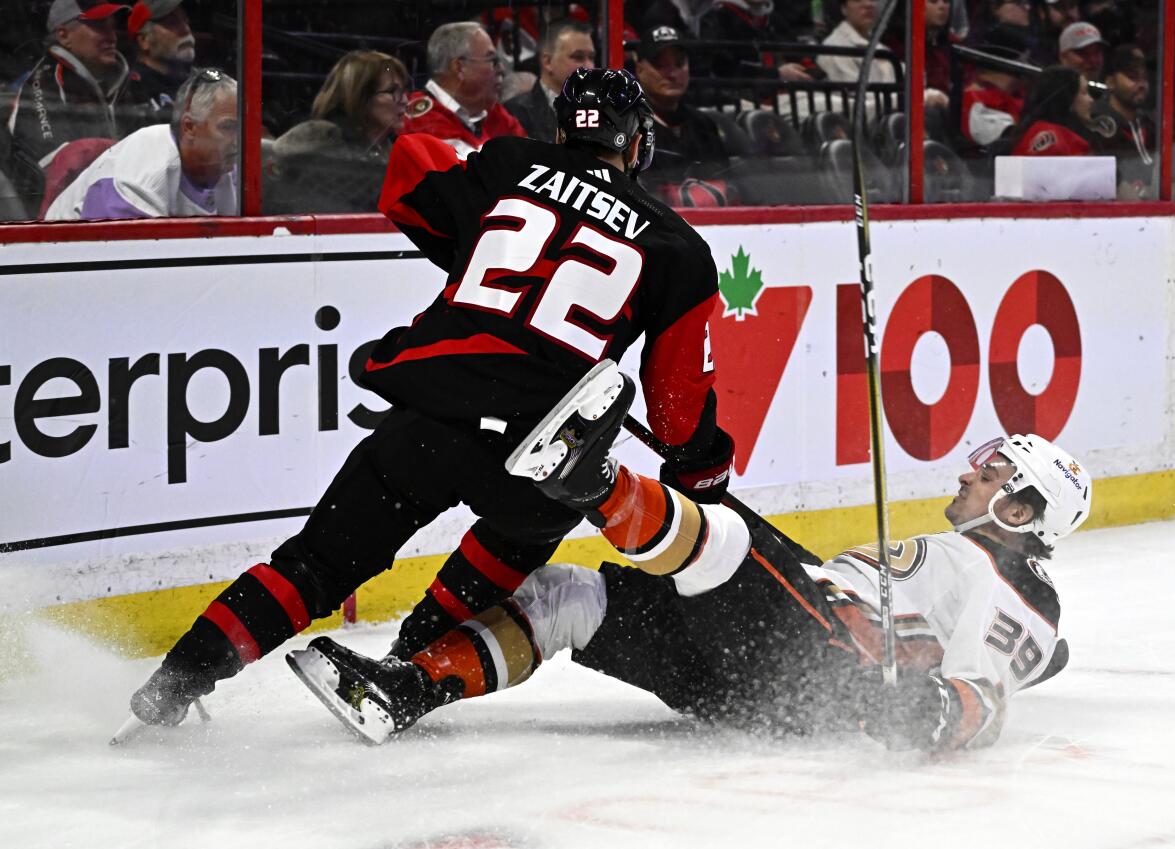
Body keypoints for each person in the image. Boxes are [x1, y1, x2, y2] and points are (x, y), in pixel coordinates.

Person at [118, 68, 733, 737]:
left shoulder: (508, 161)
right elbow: (678, 413)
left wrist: (477, 246)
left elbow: (409, 187)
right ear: (638, 142)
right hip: (543, 457)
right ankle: (402, 670)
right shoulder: (677, 245)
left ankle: (173, 683)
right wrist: (702, 480)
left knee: (315, 566)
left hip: (433, 416)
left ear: (560, 131)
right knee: (515, 533)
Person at [290, 359, 1091, 750]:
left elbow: (989, 680)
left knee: (727, 534)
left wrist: (947, 712)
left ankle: (590, 478)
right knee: (570, 596)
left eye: (989, 476)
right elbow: (1028, 661)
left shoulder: (1013, 581)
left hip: (822, 668)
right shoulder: (987, 574)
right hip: (758, 682)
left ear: (1020, 511)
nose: (966, 472)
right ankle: (402, 692)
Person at [45, 67, 237, 219]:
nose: (238, 140)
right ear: (189, 127)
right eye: (228, 127)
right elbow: (123, 265)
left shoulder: (224, 165)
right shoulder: (139, 180)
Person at [4, 0, 135, 213]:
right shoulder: (43, 82)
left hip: (112, 203)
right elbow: (57, 167)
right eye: (99, 26)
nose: (112, 37)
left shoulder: (124, 82)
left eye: (112, 27)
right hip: (58, 218)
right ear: (64, 35)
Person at [263, 51, 409, 214]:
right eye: (393, 92)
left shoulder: (397, 148)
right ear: (360, 95)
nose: (404, 100)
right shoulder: (319, 137)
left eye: (403, 91)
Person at [632, 26, 732, 206]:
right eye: (660, 65)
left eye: (679, 64)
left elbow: (729, 187)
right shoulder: (627, 127)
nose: (672, 74)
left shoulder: (704, 125)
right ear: (639, 70)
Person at [403, 21, 526, 158]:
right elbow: (474, 174)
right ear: (459, 67)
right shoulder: (421, 120)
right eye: (492, 61)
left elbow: (532, 159)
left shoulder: (490, 110)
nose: (502, 70)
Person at [503, 19, 597, 142]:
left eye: (591, 57)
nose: (589, 66)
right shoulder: (515, 113)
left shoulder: (602, 111)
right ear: (547, 62)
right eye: (578, 57)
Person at [1089, 44, 1153, 199]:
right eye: (1133, 77)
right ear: (1110, 82)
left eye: (1144, 78)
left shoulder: (1152, 126)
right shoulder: (1094, 123)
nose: (1142, 85)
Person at [698, 0, 813, 84]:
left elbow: (799, 57)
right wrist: (777, 75)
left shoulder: (773, 18)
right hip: (738, 99)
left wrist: (810, 72)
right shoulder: (719, 17)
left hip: (779, 94)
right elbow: (723, 70)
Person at [125, 0, 196, 124]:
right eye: (172, 23)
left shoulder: (203, 79)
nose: (186, 29)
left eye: (186, 20)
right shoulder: (131, 91)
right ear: (144, 40)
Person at [959, 26, 1030, 149]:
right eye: (1023, 61)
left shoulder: (1022, 95)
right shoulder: (974, 99)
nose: (1027, 68)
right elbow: (1013, 144)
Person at [1007, 64, 1094, 155]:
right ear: (1067, 99)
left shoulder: (1045, 131)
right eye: (1084, 92)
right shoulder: (1051, 137)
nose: (1091, 100)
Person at [817, 0, 899, 84]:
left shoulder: (878, 46)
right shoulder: (834, 49)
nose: (869, 4)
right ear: (843, 8)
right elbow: (857, 94)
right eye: (858, 0)